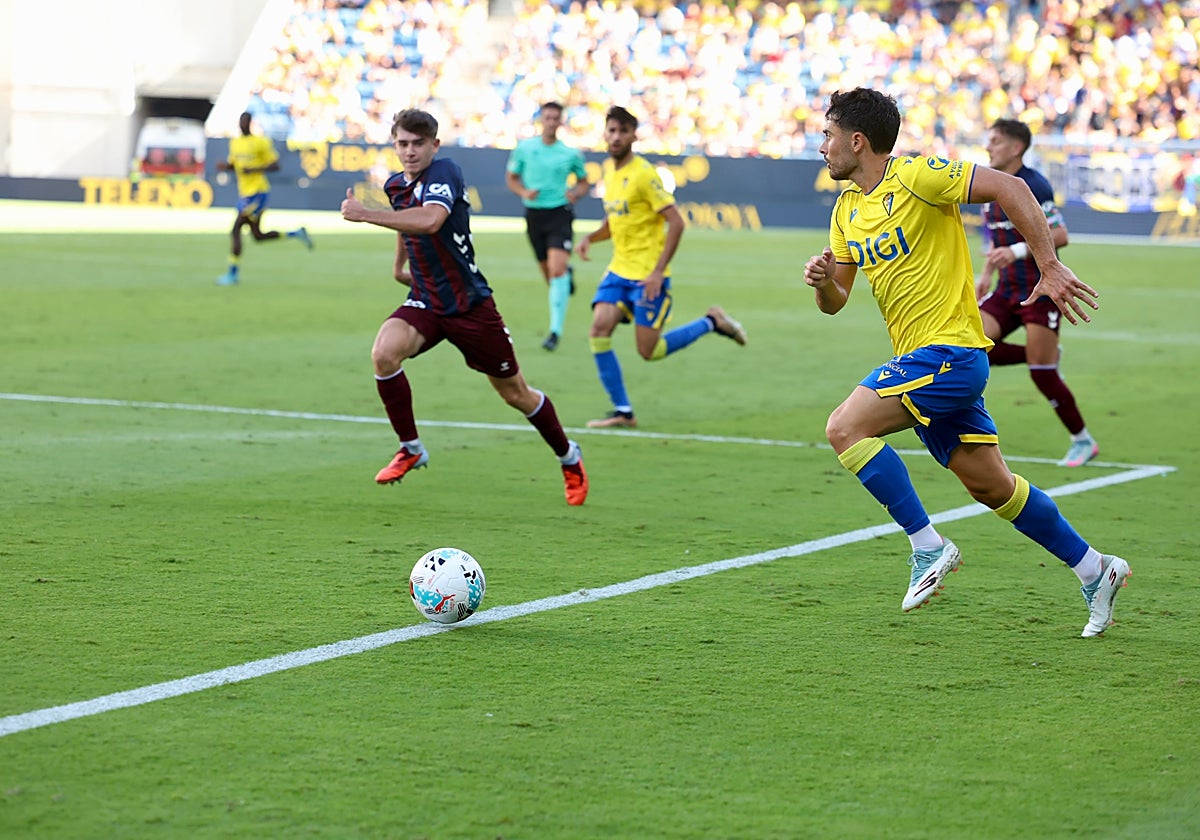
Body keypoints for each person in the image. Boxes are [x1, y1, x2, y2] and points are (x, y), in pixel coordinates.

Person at [802, 88, 1129, 637]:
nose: (821, 146)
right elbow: (838, 299)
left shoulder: (917, 177)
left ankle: (928, 546)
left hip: (950, 353)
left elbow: (1011, 186)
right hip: (922, 361)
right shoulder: (845, 211)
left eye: (828, 135)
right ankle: (1096, 569)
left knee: (845, 426)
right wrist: (821, 285)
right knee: (992, 487)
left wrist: (1047, 266)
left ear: (857, 141)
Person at [340, 108, 588, 506]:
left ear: (434, 145)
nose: (410, 151)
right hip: (425, 298)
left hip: (470, 305)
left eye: (418, 144)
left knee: (516, 394)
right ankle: (412, 448)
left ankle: (569, 457)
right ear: (394, 145)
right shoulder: (396, 185)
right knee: (384, 354)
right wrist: (399, 265)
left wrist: (364, 214)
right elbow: (407, 222)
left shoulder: (445, 173)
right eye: (402, 144)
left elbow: (432, 220)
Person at [575, 106, 747, 429]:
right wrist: (590, 238)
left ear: (633, 136)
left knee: (649, 351)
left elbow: (676, 222)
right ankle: (623, 412)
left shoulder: (644, 174)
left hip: (647, 275)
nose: (615, 137)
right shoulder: (610, 173)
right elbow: (616, 221)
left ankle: (712, 322)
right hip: (618, 269)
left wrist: (657, 272)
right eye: (611, 130)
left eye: (622, 131)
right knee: (598, 329)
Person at [975, 119, 1098, 467]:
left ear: (1016, 148)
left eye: (995, 141)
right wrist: (985, 273)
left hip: (1040, 289)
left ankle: (1082, 440)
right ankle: (1040, 352)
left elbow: (1060, 234)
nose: (989, 147)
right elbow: (995, 239)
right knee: (971, 346)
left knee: (1042, 374)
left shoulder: (1034, 185)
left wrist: (1014, 252)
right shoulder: (987, 186)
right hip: (1004, 289)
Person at [505, 101, 591, 351]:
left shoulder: (570, 153)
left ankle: (555, 331)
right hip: (534, 215)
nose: (552, 122)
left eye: (556, 118)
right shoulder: (525, 148)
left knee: (555, 270)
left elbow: (584, 182)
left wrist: (576, 193)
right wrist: (523, 191)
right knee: (549, 273)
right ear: (541, 120)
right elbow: (511, 177)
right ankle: (567, 275)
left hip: (560, 214)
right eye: (548, 117)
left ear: (561, 121)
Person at [216, 111, 312, 286]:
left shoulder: (261, 142)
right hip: (245, 193)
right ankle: (296, 233)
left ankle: (232, 274)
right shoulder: (235, 143)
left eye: (245, 121)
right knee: (257, 236)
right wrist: (225, 166)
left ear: (250, 123)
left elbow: (275, 165)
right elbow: (234, 164)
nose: (242, 124)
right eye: (240, 121)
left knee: (236, 228)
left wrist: (253, 170)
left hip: (258, 193)